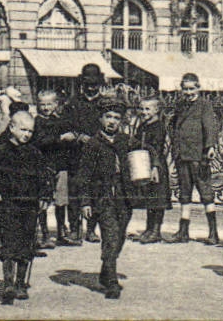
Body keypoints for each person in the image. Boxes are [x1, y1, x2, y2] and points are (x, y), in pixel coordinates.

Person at [0, 107, 45, 304]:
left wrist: (45, 197)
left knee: (27, 244)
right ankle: (8, 284)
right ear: (12, 128)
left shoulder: (35, 153)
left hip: (30, 206)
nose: (27, 134)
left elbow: (45, 177)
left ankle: (21, 284)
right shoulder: (1, 151)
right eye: (23, 130)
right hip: (7, 205)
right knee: (8, 244)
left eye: (30, 131)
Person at [76, 99, 136, 300]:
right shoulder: (92, 145)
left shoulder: (125, 140)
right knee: (110, 237)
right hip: (103, 197)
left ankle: (105, 270)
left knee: (119, 237)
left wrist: (153, 164)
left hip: (124, 196)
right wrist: (85, 201)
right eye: (108, 117)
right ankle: (111, 281)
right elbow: (83, 175)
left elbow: (147, 150)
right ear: (101, 119)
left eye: (116, 118)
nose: (112, 121)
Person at [165, 71, 221, 245]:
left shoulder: (204, 105)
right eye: (185, 89)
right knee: (184, 192)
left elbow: (210, 126)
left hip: (198, 156)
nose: (189, 93)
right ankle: (183, 231)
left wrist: (210, 147)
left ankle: (213, 232)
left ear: (199, 88)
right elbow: (173, 125)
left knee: (206, 193)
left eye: (192, 89)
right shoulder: (180, 105)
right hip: (182, 154)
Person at [31, 89, 81, 247]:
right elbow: (40, 141)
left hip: (61, 166)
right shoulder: (36, 122)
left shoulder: (61, 120)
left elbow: (72, 132)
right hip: (43, 167)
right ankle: (44, 233)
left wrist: (73, 135)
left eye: (49, 104)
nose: (45, 107)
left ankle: (61, 231)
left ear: (56, 104)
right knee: (43, 200)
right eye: (42, 104)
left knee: (61, 201)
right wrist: (61, 138)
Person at [67, 63, 109, 242]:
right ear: (82, 84)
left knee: (95, 191)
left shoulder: (106, 104)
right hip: (76, 153)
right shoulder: (73, 103)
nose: (91, 88)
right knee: (75, 191)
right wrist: (78, 136)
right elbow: (66, 126)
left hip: (98, 154)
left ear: (100, 84)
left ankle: (91, 230)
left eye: (95, 84)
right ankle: (75, 229)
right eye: (88, 84)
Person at [130, 96, 172, 243]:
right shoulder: (143, 126)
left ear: (156, 110)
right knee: (150, 198)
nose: (143, 112)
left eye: (147, 109)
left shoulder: (159, 127)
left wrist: (155, 166)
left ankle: (156, 231)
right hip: (144, 164)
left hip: (156, 165)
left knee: (158, 199)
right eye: (141, 108)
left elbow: (157, 148)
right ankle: (148, 229)